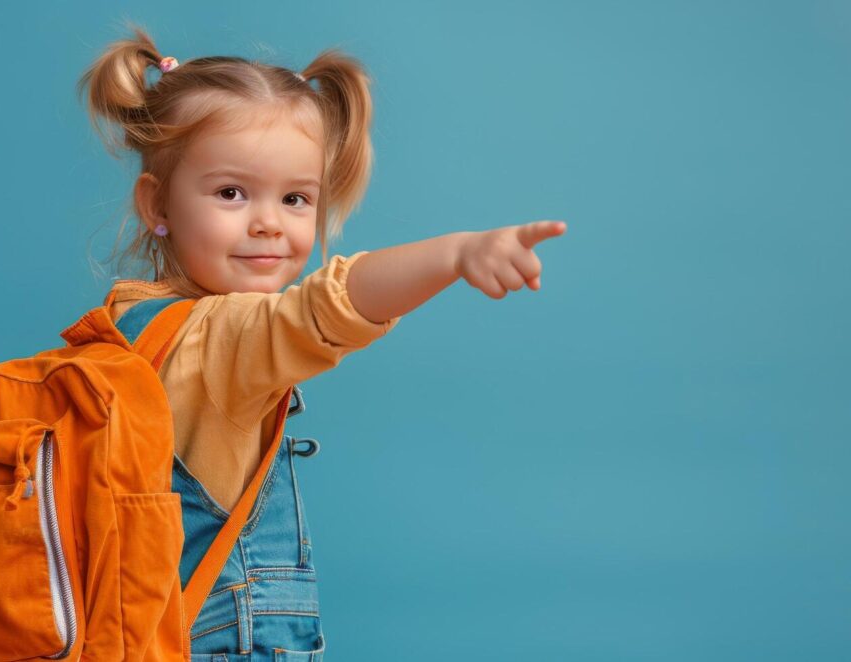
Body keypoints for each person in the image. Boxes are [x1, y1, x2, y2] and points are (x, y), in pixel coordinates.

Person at [76, 24, 567, 661]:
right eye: (231, 192)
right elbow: (322, 308)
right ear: (156, 203)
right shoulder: (220, 339)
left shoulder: (128, 321)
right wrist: (456, 254)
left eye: (296, 198)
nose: (267, 221)